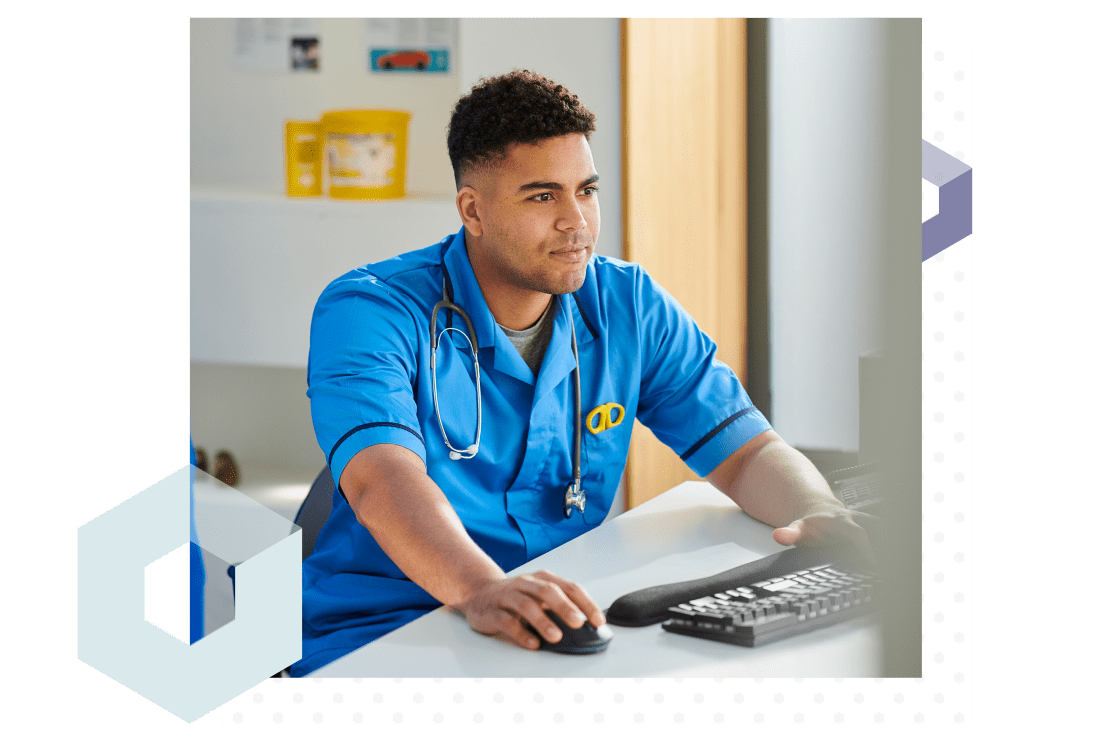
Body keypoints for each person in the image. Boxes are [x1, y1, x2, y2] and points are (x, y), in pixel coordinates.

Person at [290, 70, 871, 677]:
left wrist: (817, 509)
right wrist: (481, 590)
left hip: (553, 615)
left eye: (586, 190)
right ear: (473, 210)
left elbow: (745, 452)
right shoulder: (370, 310)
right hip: (383, 628)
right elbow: (380, 479)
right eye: (543, 196)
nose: (577, 221)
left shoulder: (627, 303)